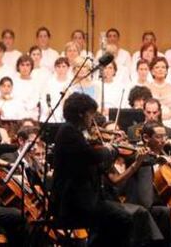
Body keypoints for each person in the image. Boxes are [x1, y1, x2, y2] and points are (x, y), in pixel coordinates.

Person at [51, 92, 133, 246]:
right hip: (72, 202)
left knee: (116, 218)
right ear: (81, 114)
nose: (92, 119)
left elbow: (92, 161)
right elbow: (92, 155)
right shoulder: (68, 131)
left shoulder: (76, 132)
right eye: (90, 114)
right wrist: (111, 148)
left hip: (85, 199)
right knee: (123, 218)